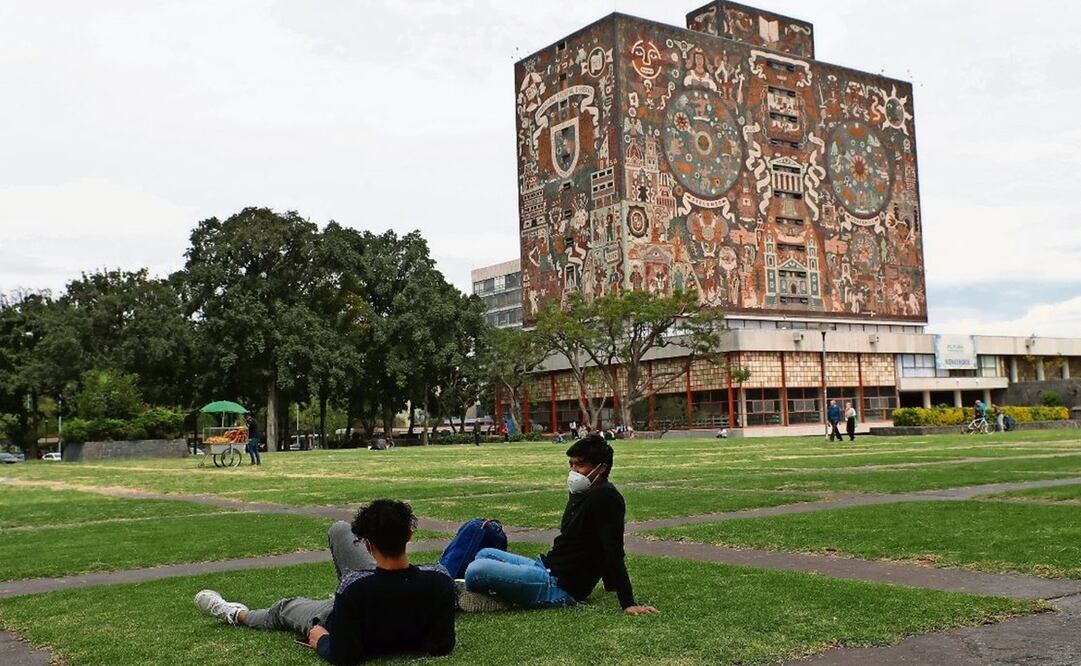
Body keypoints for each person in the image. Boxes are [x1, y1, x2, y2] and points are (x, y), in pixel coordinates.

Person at [195, 500, 455, 663]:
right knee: (340, 529)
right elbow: (442, 645)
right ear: (409, 535)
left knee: (284, 608)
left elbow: (345, 655)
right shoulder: (439, 579)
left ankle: (235, 613)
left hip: (341, 613)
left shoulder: (354, 588)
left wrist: (321, 639)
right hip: (385, 593)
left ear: (367, 544)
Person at [461, 434, 659, 617]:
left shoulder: (606, 497)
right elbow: (591, 538)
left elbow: (612, 548)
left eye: (580, 465)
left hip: (560, 586)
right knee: (484, 553)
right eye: (571, 464)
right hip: (548, 567)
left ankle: (487, 596)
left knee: (476, 570)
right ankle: (495, 593)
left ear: (601, 468)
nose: (573, 471)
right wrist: (610, 584)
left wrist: (627, 602)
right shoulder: (581, 492)